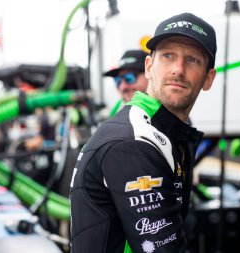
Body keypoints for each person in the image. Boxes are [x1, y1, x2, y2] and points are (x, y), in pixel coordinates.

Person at [69, 12, 217, 252]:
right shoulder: (134, 141)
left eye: (192, 60)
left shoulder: (164, 132)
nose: (178, 69)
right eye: (168, 56)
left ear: (208, 79)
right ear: (149, 67)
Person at [104, 50, 149, 117]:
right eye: (117, 81)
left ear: (149, 73)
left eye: (129, 78)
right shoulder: (117, 108)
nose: (122, 87)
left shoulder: (166, 110)